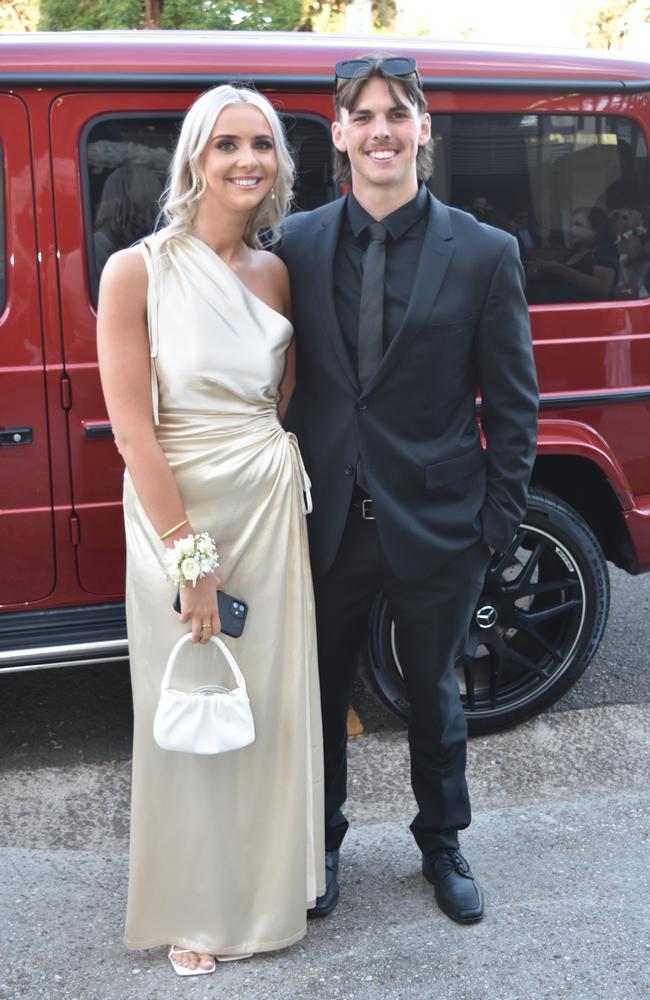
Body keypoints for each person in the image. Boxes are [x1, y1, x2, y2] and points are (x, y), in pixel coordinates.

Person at [278, 55, 538, 925]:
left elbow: (512, 400)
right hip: (323, 526)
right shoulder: (297, 244)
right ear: (339, 132)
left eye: (398, 113)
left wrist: (495, 525)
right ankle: (320, 843)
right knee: (316, 697)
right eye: (364, 115)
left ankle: (443, 842)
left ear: (424, 128)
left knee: (434, 694)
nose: (381, 129)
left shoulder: (486, 251)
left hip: (439, 525)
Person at [97, 84, 324, 976]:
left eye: (261, 145)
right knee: (187, 699)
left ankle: (269, 889)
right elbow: (131, 429)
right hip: (176, 514)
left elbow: (283, 395)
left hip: (268, 508)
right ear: (195, 156)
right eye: (226, 143)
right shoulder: (137, 270)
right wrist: (189, 558)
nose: (245, 160)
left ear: (278, 163)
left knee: (263, 706)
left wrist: (263, 464)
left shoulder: (274, 273)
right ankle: (195, 905)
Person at [527, 206, 618, 303]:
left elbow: (603, 288)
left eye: (578, 225)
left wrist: (562, 270)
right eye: (571, 225)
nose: (571, 230)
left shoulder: (603, 250)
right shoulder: (576, 251)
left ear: (596, 229)